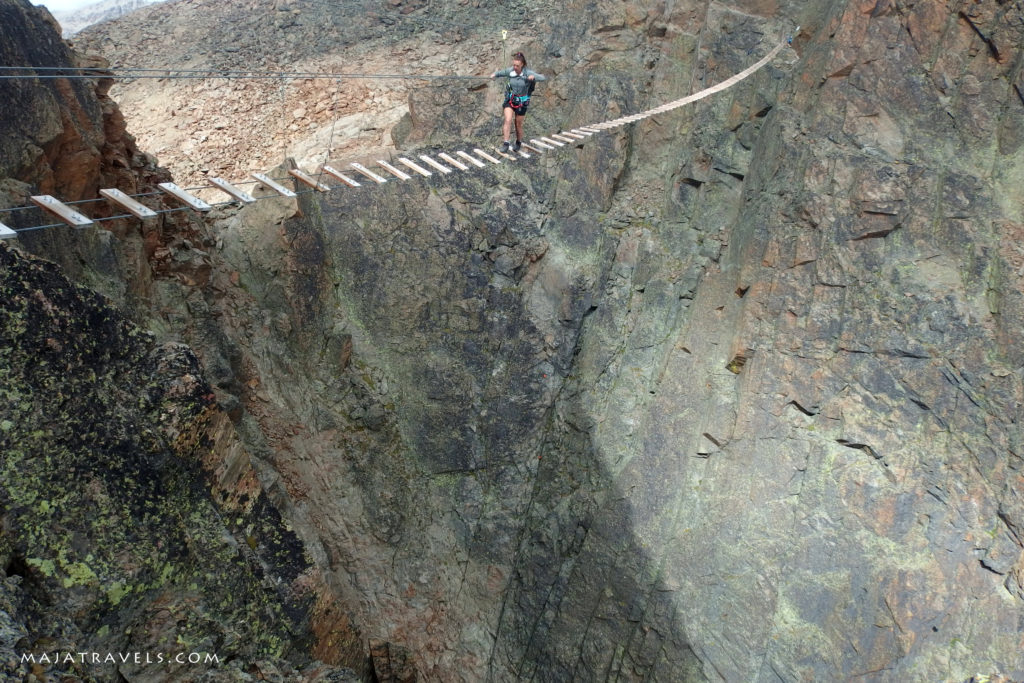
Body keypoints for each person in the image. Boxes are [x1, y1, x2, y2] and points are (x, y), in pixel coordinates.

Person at [490, 52, 546, 152]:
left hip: (522, 102)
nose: (515, 67)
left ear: (522, 65)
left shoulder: (528, 73)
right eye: (514, 65)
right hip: (510, 100)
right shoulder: (510, 71)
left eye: (517, 65)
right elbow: (501, 73)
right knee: (508, 120)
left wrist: (533, 77)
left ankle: (518, 142)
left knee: (518, 124)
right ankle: (506, 143)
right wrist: (494, 75)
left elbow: (542, 78)